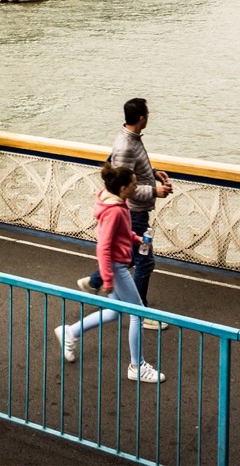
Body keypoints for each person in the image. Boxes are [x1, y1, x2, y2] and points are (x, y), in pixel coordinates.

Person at [54, 163, 165, 383]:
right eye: (134, 184)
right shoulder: (114, 211)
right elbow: (103, 246)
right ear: (123, 187)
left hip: (117, 264)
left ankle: (71, 332)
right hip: (116, 266)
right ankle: (137, 366)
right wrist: (106, 278)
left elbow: (123, 232)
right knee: (138, 313)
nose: (137, 187)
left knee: (114, 313)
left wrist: (136, 239)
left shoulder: (116, 201)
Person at [78, 97, 172, 329]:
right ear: (142, 118)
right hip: (133, 212)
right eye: (147, 113)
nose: (148, 116)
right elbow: (125, 184)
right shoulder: (125, 145)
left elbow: (132, 170)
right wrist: (154, 191)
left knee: (128, 257)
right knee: (144, 261)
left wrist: (153, 172)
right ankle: (140, 312)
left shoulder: (130, 139)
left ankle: (96, 281)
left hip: (135, 211)